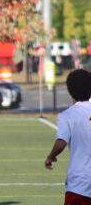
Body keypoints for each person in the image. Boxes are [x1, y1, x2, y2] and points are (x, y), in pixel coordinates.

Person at [44, 69, 91, 204]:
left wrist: (50, 157)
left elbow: (61, 143)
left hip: (79, 184)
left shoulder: (67, 115)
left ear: (69, 90)